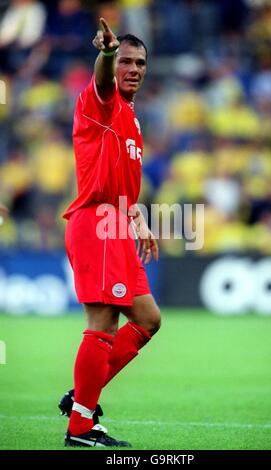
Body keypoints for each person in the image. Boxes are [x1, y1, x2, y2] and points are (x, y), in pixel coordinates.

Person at [60, 17, 161, 448]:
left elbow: (121, 184)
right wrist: (104, 55)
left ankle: (81, 396)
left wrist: (137, 218)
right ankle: (81, 426)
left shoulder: (132, 120)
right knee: (103, 321)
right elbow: (103, 81)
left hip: (117, 221)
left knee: (148, 319)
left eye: (139, 62)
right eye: (125, 61)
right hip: (95, 222)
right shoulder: (99, 102)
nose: (133, 69)